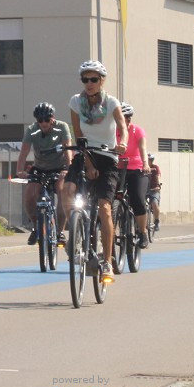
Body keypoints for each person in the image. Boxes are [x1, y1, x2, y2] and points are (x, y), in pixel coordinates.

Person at [68, 60, 126, 284]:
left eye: (93, 79)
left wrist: (122, 143)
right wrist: (89, 165)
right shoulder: (75, 102)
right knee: (68, 189)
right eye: (85, 79)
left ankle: (107, 261)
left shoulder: (111, 102)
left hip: (108, 157)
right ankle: (75, 232)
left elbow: (122, 126)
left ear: (102, 81)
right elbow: (78, 135)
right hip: (85, 154)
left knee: (104, 208)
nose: (89, 83)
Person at [16, 102, 72, 246]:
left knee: (62, 192)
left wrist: (68, 168)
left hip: (59, 168)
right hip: (40, 168)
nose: (44, 123)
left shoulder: (62, 127)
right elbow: (24, 152)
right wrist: (19, 171)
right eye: (40, 121)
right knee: (29, 197)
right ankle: (36, 226)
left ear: (52, 118)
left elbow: (67, 149)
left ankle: (59, 232)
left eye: (47, 120)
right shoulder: (31, 130)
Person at [120, 103, 150, 249]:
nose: (124, 120)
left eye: (126, 117)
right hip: (118, 168)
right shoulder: (112, 131)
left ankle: (143, 232)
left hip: (137, 169)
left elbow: (142, 147)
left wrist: (145, 163)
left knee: (138, 198)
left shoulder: (137, 131)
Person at [146, 154, 162, 233]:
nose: (150, 161)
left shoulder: (155, 168)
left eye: (151, 160)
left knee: (154, 203)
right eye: (149, 159)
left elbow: (158, 176)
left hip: (154, 189)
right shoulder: (142, 167)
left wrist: (158, 185)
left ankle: (157, 221)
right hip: (144, 190)